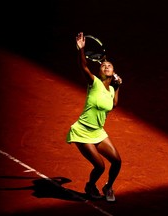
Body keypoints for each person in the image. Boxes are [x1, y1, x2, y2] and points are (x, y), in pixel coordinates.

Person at [66, 32, 122, 202]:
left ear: (113, 72)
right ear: (99, 70)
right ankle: (90, 186)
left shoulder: (111, 90)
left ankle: (108, 187)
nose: (106, 66)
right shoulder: (94, 83)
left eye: (109, 65)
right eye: (103, 65)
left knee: (117, 161)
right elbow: (83, 67)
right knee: (100, 166)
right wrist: (81, 50)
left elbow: (113, 105)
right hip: (82, 131)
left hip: (98, 132)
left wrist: (118, 86)